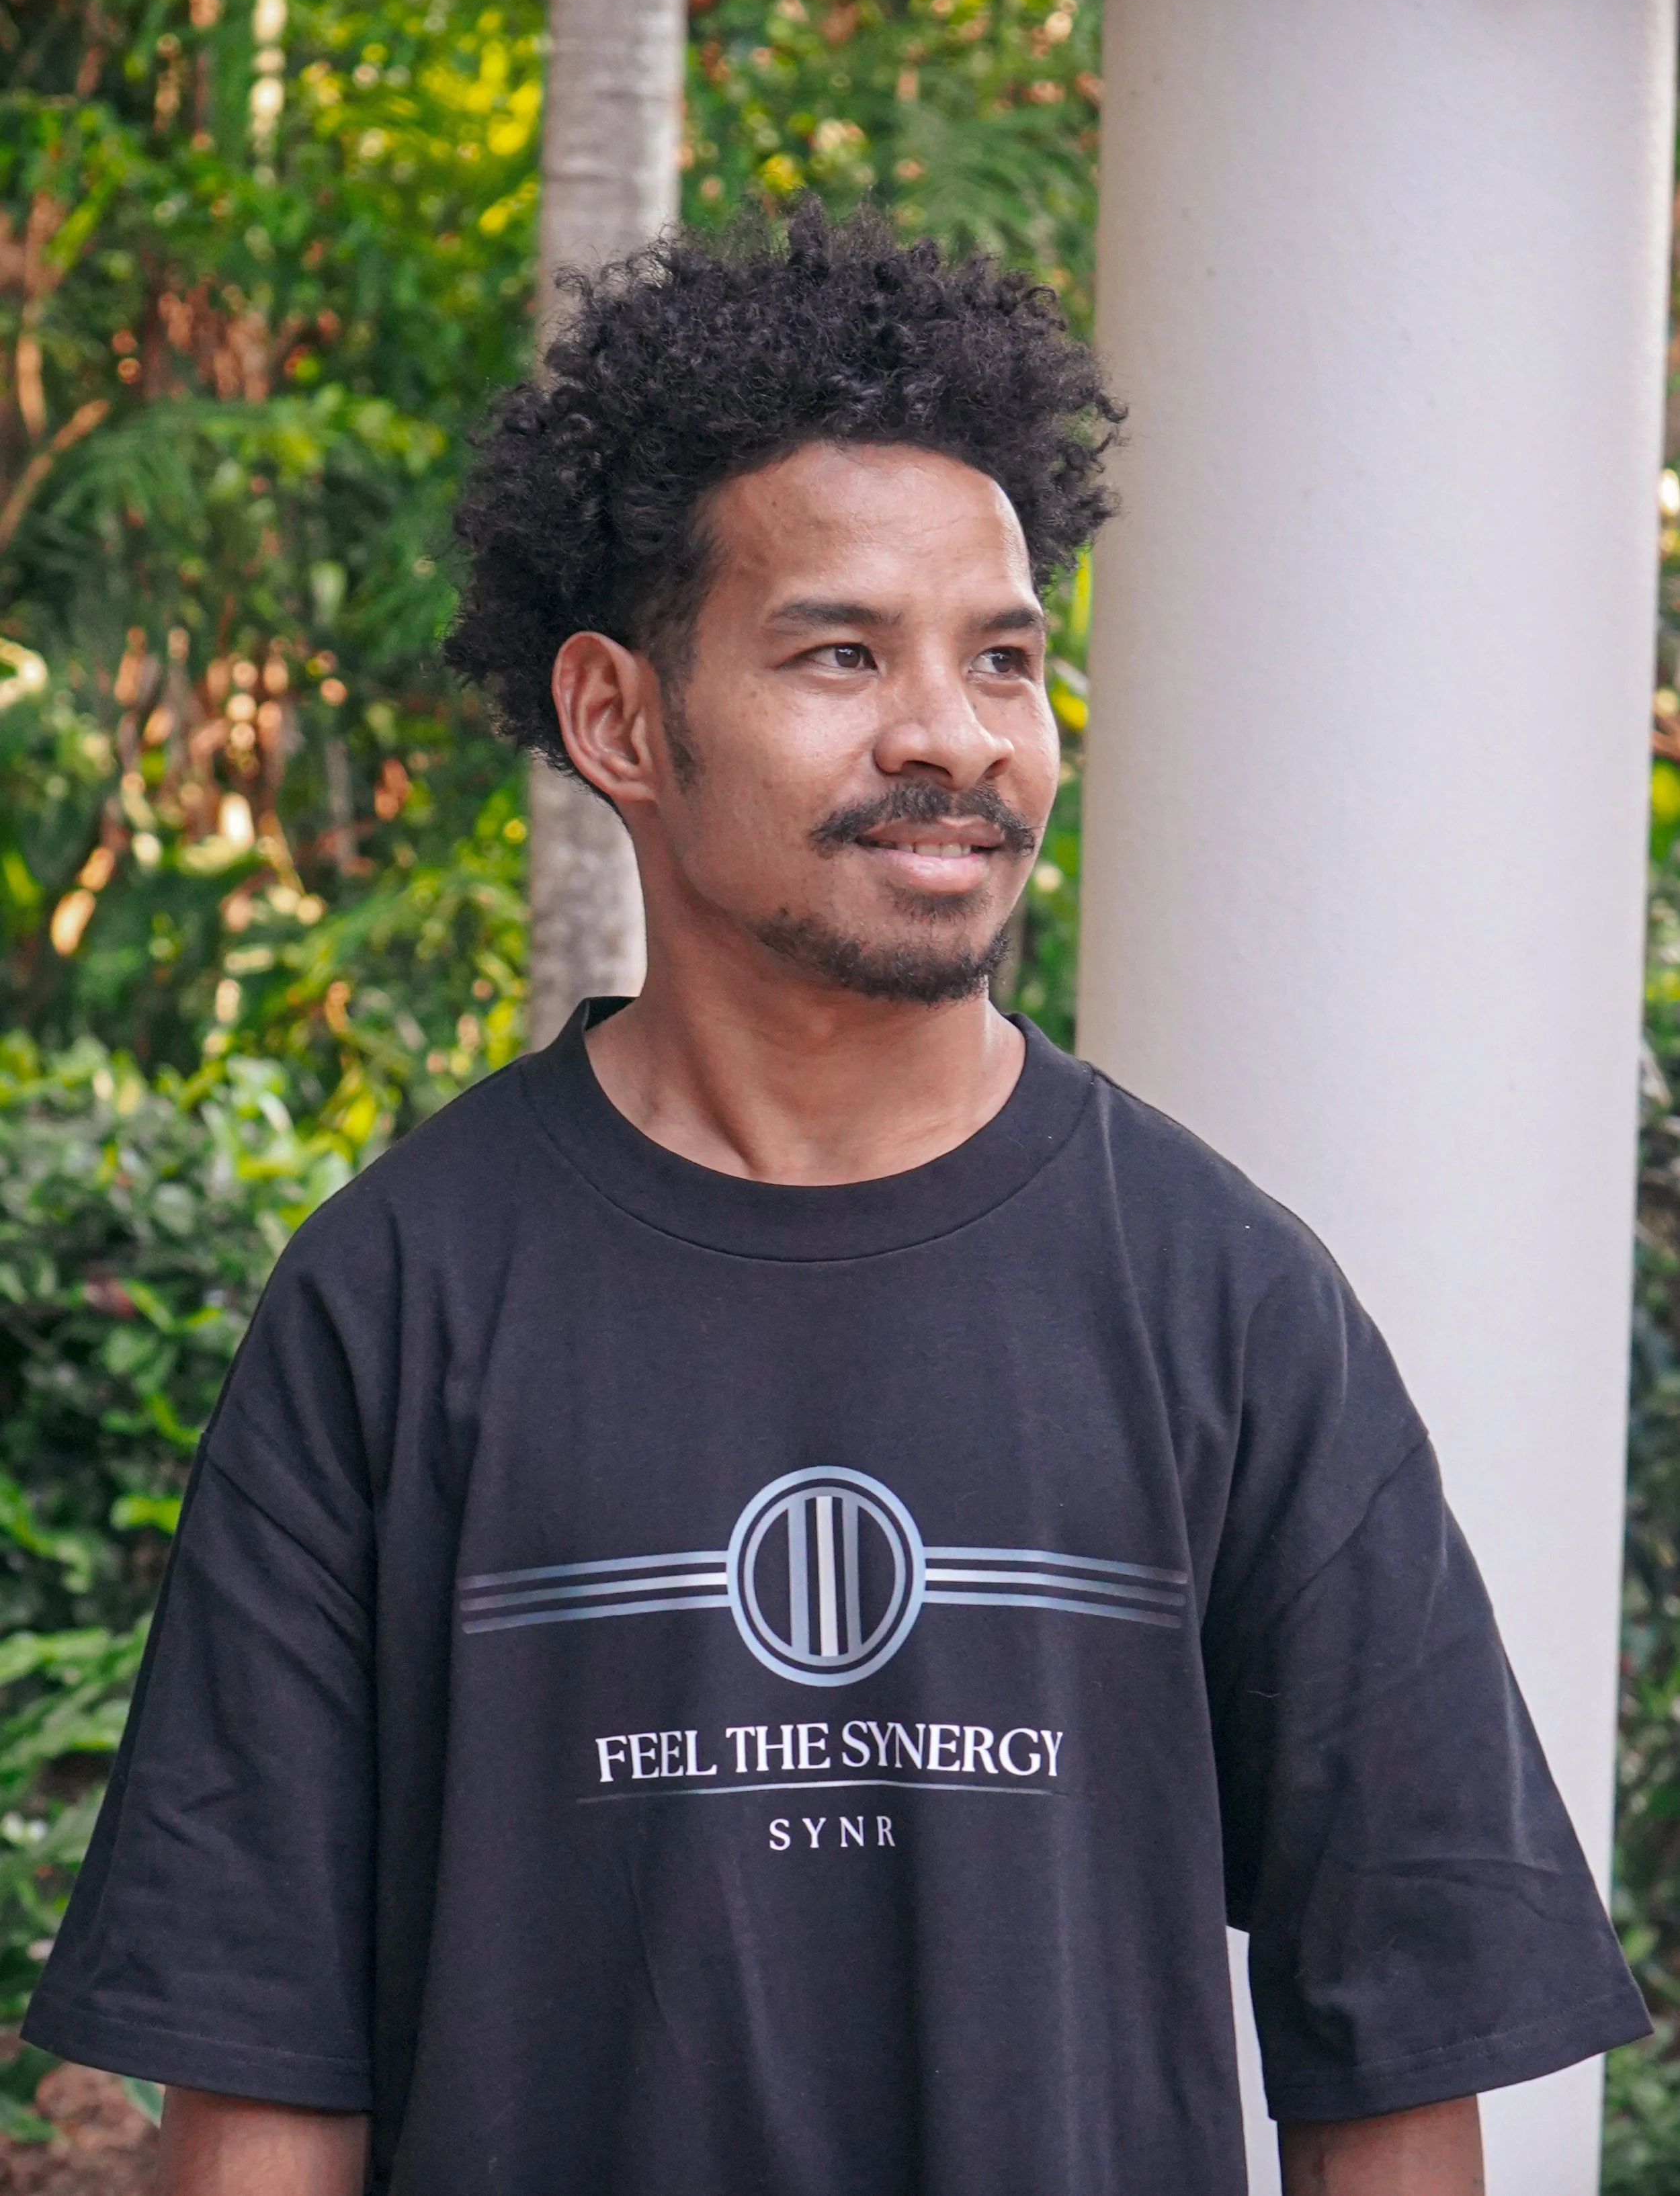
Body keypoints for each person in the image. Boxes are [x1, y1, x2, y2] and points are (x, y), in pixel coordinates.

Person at [23, 206, 1648, 2195]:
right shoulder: (396, 1300)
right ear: (620, 720)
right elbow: (265, 2073)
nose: (951, 735)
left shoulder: (1225, 1300)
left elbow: (1398, 2041)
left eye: (1003, 660)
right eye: (839, 652)